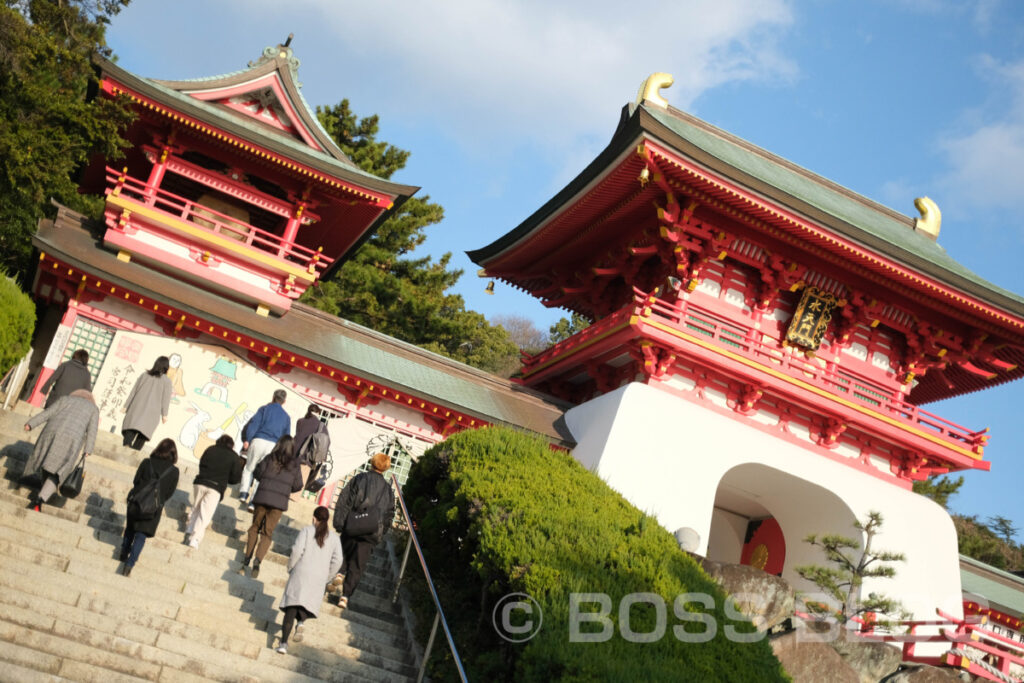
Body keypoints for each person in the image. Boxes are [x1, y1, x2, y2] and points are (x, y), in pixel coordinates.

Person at [275, 506, 343, 655]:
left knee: (291, 608)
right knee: (306, 603)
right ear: (327, 520)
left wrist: (291, 567)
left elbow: (296, 550)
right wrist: (328, 576)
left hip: (301, 572)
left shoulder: (307, 531)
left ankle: (283, 644)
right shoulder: (335, 539)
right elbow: (338, 560)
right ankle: (301, 622)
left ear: (314, 518)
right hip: (319, 577)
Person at [331, 452, 395, 609]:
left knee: (345, 552)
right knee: (358, 565)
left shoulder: (360, 479)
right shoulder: (388, 490)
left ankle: (339, 572)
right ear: (386, 467)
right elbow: (389, 514)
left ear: (372, 462)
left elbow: (345, 500)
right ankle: (345, 597)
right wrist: (380, 533)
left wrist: (340, 522)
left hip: (353, 524)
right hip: (371, 532)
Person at [22, 389, 99, 511]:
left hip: (51, 434)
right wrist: (88, 449)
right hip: (71, 442)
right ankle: (40, 499)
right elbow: (92, 430)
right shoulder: (93, 409)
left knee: (46, 465)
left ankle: (42, 493)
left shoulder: (65, 399)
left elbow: (48, 413)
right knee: (58, 473)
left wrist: (31, 424)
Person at [239, 435, 302, 578]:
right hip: (278, 504)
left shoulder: (270, 458)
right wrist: (285, 489)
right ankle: (257, 561)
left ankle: (246, 560)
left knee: (254, 528)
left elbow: (257, 473)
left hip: (262, 498)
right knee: (267, 533)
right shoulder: (295, 465)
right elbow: (298, 485)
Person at [121, 438, 179, 577]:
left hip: (137, 501)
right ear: (173, 453)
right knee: (141, 535)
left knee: (130, 529)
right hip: (154, 507)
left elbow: (136, 480)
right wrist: (158, 500)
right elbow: (170, 492)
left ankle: (123, 553)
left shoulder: (147, 462)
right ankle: (129, 564)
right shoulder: (174, 471)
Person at [185, 434, 243, 549]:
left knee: (196, 507)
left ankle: (190, 528)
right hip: (216, 487)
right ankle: (195, 539)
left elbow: (201, 463)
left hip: (200, 482)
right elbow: (236, 478)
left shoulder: (210, 449)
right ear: (231, 445)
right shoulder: (234, 456)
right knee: (205, 514)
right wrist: (226, 479)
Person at [238, 389, 290, 505]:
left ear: (273, 397)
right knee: (263, 473)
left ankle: (243, 493)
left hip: (258, 440)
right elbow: (286, 437)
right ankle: (253, 501)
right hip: (273, 446)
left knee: (249, 468)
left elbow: (254, 424)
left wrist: (247, 439)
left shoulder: (264, 409)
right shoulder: (286, 417)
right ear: (284, 401)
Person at [121, 356, 173, 450]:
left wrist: (126, 406)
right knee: (143, 434)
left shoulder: (144, 375)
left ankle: (126, 446)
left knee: (131, 429)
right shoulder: (167, 381)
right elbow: (166, 399)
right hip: (152, 413)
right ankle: (134, 452)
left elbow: (134, 391)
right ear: (166, 367)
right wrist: (164, 415)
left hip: (137, 407)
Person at [292, 404, 329, 501]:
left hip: (293, 454)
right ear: (318, 413)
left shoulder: (300, 421)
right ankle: (294, 498)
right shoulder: (321, 426)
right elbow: (326, 442)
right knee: (299, 483)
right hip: (308, 458)